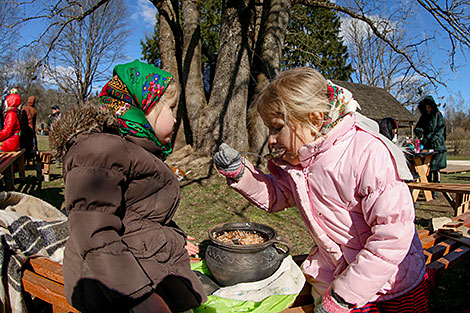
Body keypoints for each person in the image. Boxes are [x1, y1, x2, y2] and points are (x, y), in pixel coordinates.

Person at [213, 68, 432, 312]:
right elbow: (276, 196)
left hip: (391, 288)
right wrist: (242, 173)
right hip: (338, 278)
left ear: (315, 120)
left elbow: (392, 235)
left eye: (276, 128)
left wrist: (344, 295)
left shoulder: (366, 153)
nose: (271, 140)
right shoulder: (301, 165)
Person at [49, 59, 206, 313]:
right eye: (172, 108)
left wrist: (170, 237)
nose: (176, 120)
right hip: (111, 289)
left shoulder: (131, 151)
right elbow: (94, 233)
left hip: (134, 270)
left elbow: (133, 215)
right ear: (146, 106)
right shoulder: (100, 151)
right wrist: (140, 297)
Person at [414, 95, 447, 197]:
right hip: (427, 145)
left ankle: (435, 190)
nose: (427, 108)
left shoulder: (438, 115)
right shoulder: (424, 117)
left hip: (437, 145)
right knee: (426, 168)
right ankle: (427, 190)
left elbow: (440, 131)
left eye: (429, 106)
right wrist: (420, 132)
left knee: (435, 168)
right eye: (426, 107)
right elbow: (418, 128)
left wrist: (430, 138)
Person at [20, 95, 38, 161]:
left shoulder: (25, 108)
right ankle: (30, 158)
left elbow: (22, 120)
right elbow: (34, 122)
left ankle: (23, 159)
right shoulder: (34, 111)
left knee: (24, 145)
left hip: (25, 130)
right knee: (30, 145)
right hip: (31, 130)